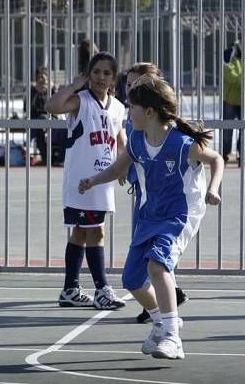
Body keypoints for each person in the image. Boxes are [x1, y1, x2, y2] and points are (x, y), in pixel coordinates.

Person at [78, 75, 224, 359]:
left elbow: (216, 159)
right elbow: (117, 169)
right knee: (132, 279)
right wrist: (94, 181)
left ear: (149, 112)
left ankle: (173, 335)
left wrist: (213, 188)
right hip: (149, 215)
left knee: (157, 266)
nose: (127, 111)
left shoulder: (182, 144)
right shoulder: (136, 140)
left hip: (179, 214)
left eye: (131, 106)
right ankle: (160, 322)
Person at [44, 51, 127, 310]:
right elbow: (51, 106)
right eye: (96, 72)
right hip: (82, 180)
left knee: (81, 232)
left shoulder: (117, 106)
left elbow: (120, 137)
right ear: (88, 75)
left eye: (106, 73)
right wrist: (73, 85)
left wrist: (123, 164)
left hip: (103, 179)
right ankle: (102, 289)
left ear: (113, 79)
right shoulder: (80, 101)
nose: (101, 77)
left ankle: (70, 288)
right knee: (96, 231)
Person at [123, 63, 189, 324]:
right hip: (144, 192)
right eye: (127, 85)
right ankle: (158, 304)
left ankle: (168, 312)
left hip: (168, 200)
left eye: (136, 84)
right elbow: (129, 154)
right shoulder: (134, 121)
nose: (130, 89)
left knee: (157, 256)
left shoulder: (171, 135)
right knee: (141, 253)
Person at [222, 32, 245, 165]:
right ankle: (223, 155)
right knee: (227, 130)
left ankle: (243, 157)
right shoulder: (230, 52)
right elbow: (229, 75)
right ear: (242, 40)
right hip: (231, 98)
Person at [23, 67, 64, 165]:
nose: (42, 80)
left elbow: (59, 106)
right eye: (40, 77)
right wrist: (36, 93)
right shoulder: (32, 90)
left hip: (51, 119)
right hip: (36, 120)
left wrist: (52, 91)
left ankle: (58, 157)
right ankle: (46, 158)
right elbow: (26, 108)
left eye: (44, 77)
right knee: (40, 128)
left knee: (64, 129)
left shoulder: (53, 90)